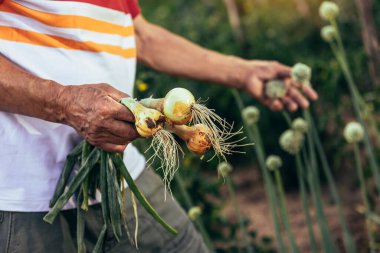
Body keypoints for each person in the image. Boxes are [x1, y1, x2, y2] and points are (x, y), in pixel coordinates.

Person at [0, 0, 318, 252]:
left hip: (122, 173)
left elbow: (142, 37)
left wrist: (242, 71)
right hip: (22, 198)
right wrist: (64, 103)